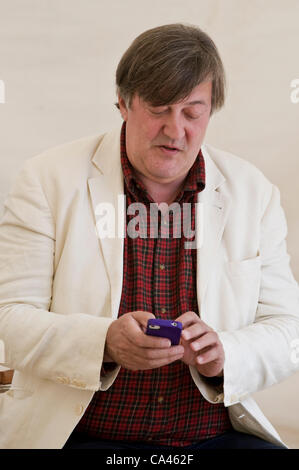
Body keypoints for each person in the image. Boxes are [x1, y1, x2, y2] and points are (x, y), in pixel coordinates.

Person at [0, 23, 298, 450]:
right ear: (122, 102)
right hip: (82, 436)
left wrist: (224, 353)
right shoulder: (46, 181)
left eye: (193, 112)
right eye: (159, 109)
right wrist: (104, 342)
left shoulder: (254, 193)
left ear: (210, 112)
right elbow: (9, 318)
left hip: (210, 439)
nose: (175, 131)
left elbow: (289, 329)